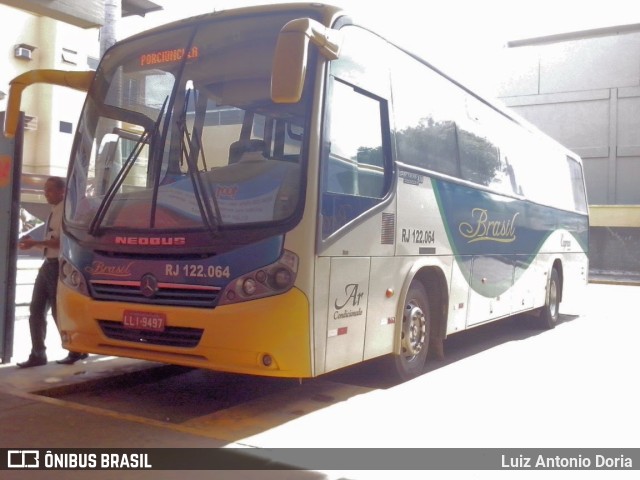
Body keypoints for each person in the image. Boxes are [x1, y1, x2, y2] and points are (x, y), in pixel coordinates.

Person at [16, 176, 88, 368]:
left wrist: (36, 243)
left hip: (58, 265)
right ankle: (38, 353)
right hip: (48, 263)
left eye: (49, 190)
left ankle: (76, 349)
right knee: (37, 309)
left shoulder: (66, 211)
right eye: (45, 190)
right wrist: (35, 245)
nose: (45, 194)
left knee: (58, 311)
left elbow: (61, 243)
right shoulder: (55, 210)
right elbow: (52, 242)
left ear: (62, 191)